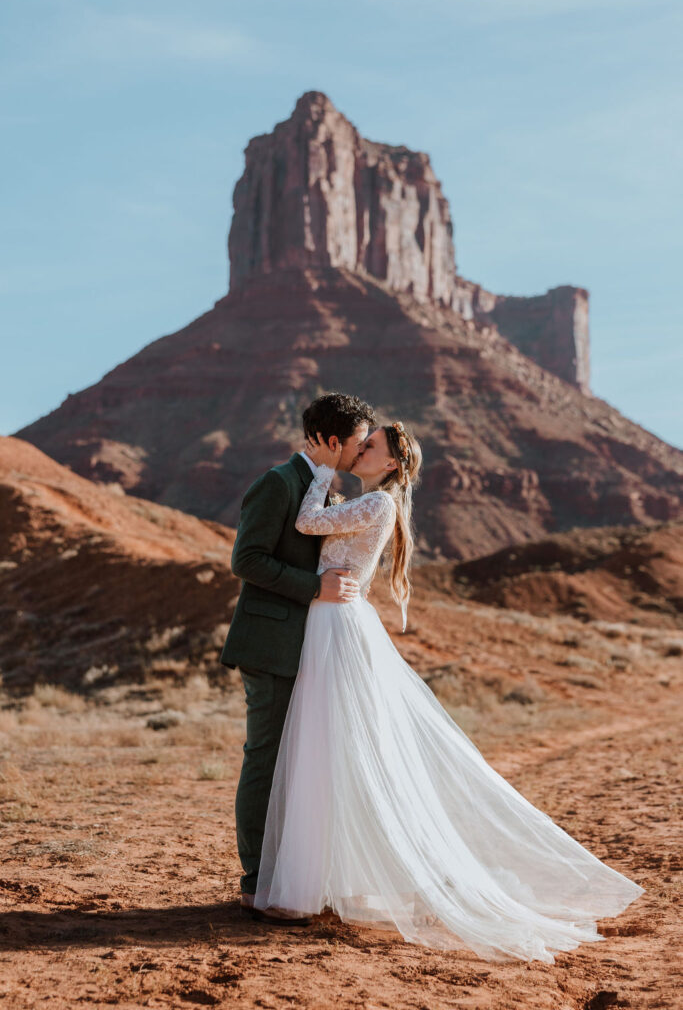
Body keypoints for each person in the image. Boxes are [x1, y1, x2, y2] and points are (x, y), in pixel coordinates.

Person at [252, 421, 645, 962]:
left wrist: (319, 470)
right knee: (327, 750)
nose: (361, 450)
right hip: (328, 623)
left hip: (337, 627)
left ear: (391, 464)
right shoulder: (367, 501)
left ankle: (340, 886)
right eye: (361, 444)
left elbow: (307, 521)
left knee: (338, 748)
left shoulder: (379, 505)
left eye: (371, 447)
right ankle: (325, 882)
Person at [220, 393, 376, 920]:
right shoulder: (278, 483)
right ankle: (254, 881)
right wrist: (315, 588)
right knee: (266, 758)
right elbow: (247, 560)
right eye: (357, 443)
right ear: (332, 441)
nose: (360, 454)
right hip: (270, 646)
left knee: (304, 762)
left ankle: (294, 877)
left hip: (312, 649)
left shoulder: (326, 493)